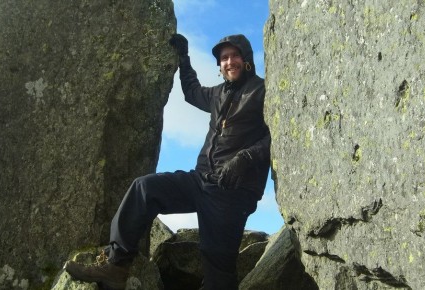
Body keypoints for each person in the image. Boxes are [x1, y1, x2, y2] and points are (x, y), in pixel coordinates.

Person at [64, 33, 271, 290]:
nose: (229, 62)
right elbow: (192, 92)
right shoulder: (218, 93)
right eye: (224, 58)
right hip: (201, 179)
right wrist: (184, 59)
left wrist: (245, 157)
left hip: (233, 190)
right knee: (144, 188)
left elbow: (275, 137)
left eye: (234, 55)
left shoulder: (262, 92)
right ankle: (116, 266)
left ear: (246, 58)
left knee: (218, 267)